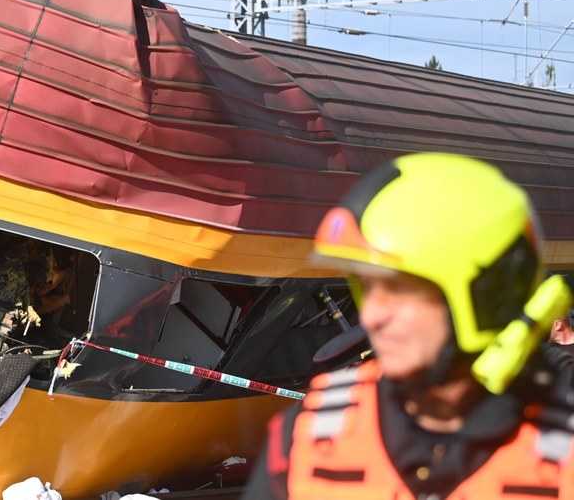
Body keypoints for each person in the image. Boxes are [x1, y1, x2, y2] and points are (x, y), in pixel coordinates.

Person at [241, 152, 574, 500]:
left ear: (486, 295)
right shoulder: (308, 437)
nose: (371, 317)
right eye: (366, 289)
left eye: (400, 291)